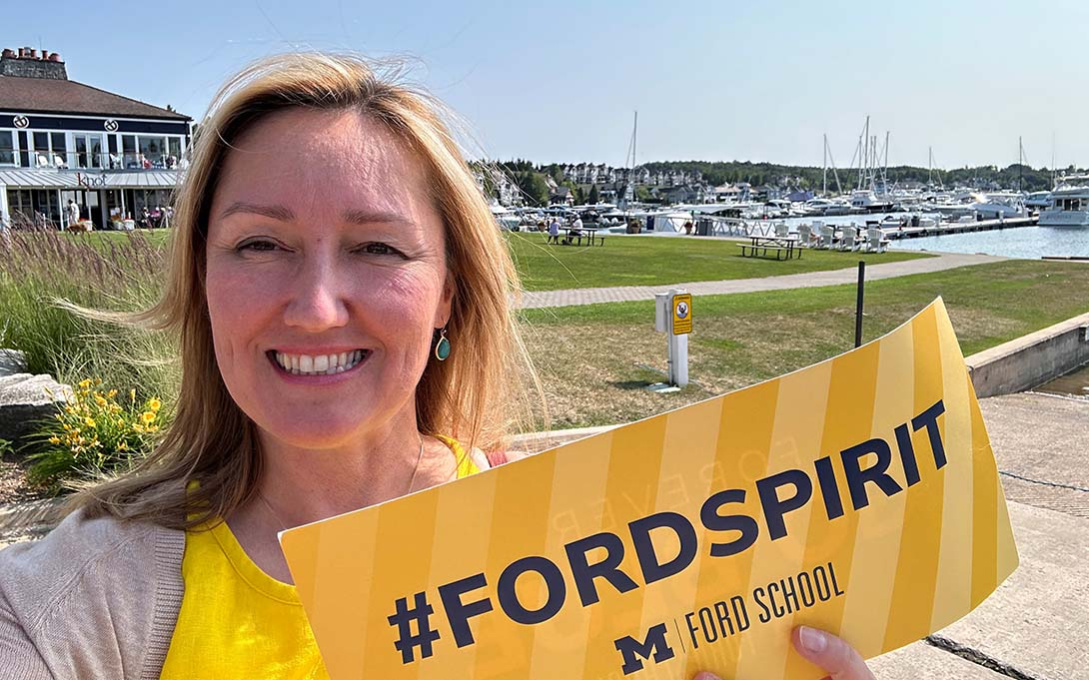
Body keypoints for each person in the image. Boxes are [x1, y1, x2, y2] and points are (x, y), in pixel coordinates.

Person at [0, 53, 874, 680]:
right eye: (259, 243)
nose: (314, 306)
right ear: (203, 284)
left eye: (376, 247)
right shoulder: (89, 598)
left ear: (449, 296)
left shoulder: (590, 559)